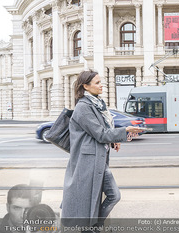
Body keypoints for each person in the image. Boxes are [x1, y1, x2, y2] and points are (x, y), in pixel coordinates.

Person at [60, 70, 143, 229]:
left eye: (100, 81)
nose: (101, 85)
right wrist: (124, 131)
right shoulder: (84, 107)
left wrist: (113, 141)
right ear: (86, 86)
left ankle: (92, 226)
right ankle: (93, 227)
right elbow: (100, 133)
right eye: (97, 83)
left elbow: (99, 130)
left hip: (97, 158)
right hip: (89, 161)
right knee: (113, 196)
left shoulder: (96, 104)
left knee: (99, 197)